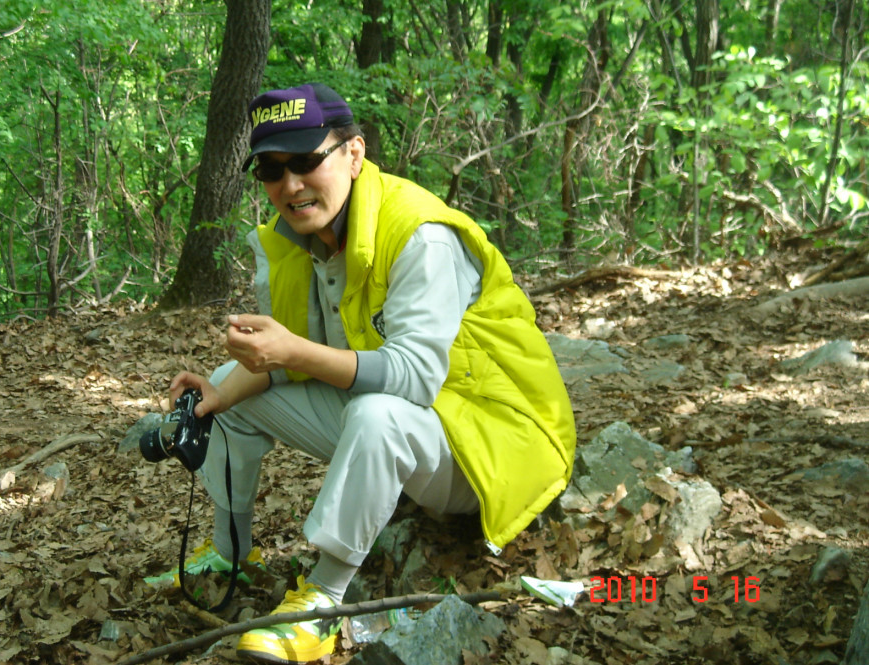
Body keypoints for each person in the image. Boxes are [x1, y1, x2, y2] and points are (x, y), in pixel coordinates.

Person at [153, 82, 575, 664]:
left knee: (379, 415)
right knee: (229, 382)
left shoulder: (420, 235)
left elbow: (415, 376)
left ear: (354, 154)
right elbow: (301, 357)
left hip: (490, 444)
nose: (290, 185)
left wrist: (293, 353)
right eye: (272, 171)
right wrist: (220, 393)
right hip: (422, 429)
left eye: (307, 161)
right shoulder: (295, 241)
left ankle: (321, 603)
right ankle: (232, 552)